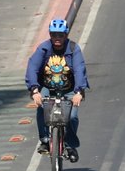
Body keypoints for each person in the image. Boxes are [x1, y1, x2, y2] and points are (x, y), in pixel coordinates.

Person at [25, 18, 89, 160]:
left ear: (66, 35)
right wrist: (34, 90)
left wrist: (79, 92)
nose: (57, 38)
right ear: (50, 35)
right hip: (48, 87)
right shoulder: (43, 49)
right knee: (42, 108)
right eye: (54, 35)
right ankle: (45, 140)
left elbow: (79, 70)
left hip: (70, 88)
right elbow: (32, 67)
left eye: (60, 35)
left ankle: (70, 145)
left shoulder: (73, 49)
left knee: (72, 116)